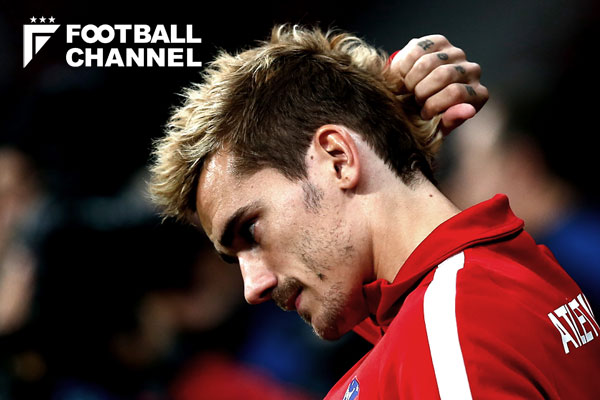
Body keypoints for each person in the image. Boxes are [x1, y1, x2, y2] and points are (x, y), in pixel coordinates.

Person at [148, 25, 600, 399]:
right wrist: (378, 107)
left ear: (338, 159)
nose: (253, 287)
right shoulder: (494, 278)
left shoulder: (448, 332)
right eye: (234, 258)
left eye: (250, 230)